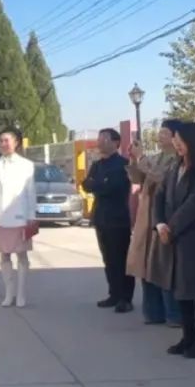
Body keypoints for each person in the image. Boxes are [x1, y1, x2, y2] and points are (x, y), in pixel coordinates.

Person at [154, 122, 195, 358]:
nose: (177, 144)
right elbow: (160, 196)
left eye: (181, 140)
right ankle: (188, 336)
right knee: (181, 289)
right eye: (175, 140)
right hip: (175, 237)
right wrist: (160, 224)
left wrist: (170, 228)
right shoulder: (176, 166)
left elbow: (194, 205)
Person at [126, 119, 182, 327]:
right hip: (146, 216)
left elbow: (161, 178)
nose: (160, 136)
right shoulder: (155, 158)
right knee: (146, 265)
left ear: (176, 137)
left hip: (164, 216)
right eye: (160, 132)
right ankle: (152, 312)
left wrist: (141, 158)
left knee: (163, 265)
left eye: (165, 133)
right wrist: (134, 159)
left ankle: (173, 314)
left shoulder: (178, 161)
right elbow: (136, 179)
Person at [0, 127, 38, 308]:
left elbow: (31, 192)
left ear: (16, 142)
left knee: (22, 255)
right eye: (1, 141)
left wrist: (31, 214)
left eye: (7, 140)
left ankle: (21, 294)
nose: (3, 144)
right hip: (1, 218)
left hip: (21, 217)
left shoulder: (26, 165)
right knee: (4, 255)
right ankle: (9, 292)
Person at [83, 128, 134, 313]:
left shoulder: (123, 164)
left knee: (121, 259)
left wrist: (98, 185)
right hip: (101, 217)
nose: (100, 142)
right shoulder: (97, 165)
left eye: (104, 139)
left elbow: (115, 187)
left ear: (115, 142)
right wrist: (100, 184)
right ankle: (113, 294)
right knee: (108, 259)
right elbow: (86, 184)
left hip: (117, 218)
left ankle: (125, 298)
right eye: (99, 138)